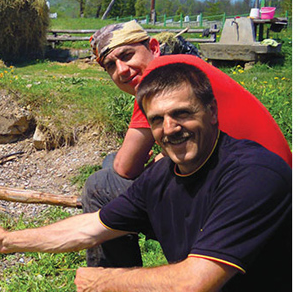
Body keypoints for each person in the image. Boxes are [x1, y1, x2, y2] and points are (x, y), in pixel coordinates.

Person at [0, 63, 291, 291]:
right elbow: (92, 227)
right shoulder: (162, 175)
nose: (169, 128)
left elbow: (194, 282)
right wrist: (8, 241)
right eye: (157, 120)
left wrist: (105, 281)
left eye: (181, 113)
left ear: (211, 112)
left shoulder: (254, 174)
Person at [81, 20, 291, 268]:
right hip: (261, 173)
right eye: (111, 66)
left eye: (127, 55)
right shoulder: (186, 68)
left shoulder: (164, 77)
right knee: (110, 165)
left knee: (99, 185)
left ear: (154, 47)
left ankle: (113, 278)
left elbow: (126, 167)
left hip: (248, 190)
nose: (122, 70)